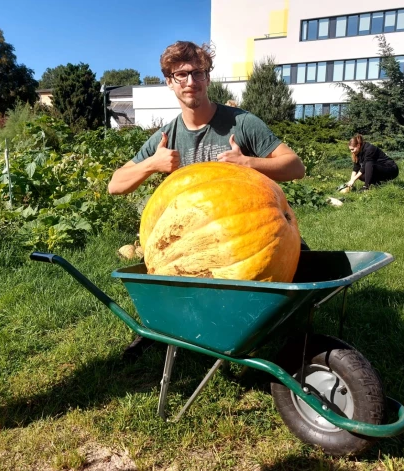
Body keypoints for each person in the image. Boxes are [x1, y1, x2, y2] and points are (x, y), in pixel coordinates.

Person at [108, 40, 305, 359]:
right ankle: (165, 327)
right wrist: (151, 164)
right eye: (180, 74)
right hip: (190, 247)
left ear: (208, 77)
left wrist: (249, 163)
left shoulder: (242, 124)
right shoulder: (166, 136)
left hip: (247, 239)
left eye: (198, 72)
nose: (190, 82)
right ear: (169, 82)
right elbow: (115, 185)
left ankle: (276, 335)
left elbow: (295, 166)